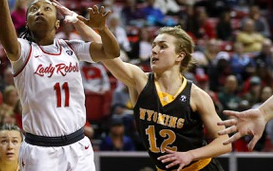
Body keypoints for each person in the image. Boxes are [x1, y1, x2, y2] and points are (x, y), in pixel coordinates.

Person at [0, 0, 120, 171]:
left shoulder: (70, 47)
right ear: (26, 23)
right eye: (33, 9)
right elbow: (8, 42)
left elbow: (112, 52)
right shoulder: (25, 51)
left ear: (58, 23)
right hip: (41, 149)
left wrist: (102, 29)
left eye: (47, 8)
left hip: (78, 145)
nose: (39, 11)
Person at [63, 10, 232, 170]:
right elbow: (108, 53)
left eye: (162, 46)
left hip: (200, 168)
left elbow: (225, 141)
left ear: (180, 56)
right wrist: (79, 21)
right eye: (154, 45)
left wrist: (190, 155)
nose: (154, 50)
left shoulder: (197, 95)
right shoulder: (140, 81)